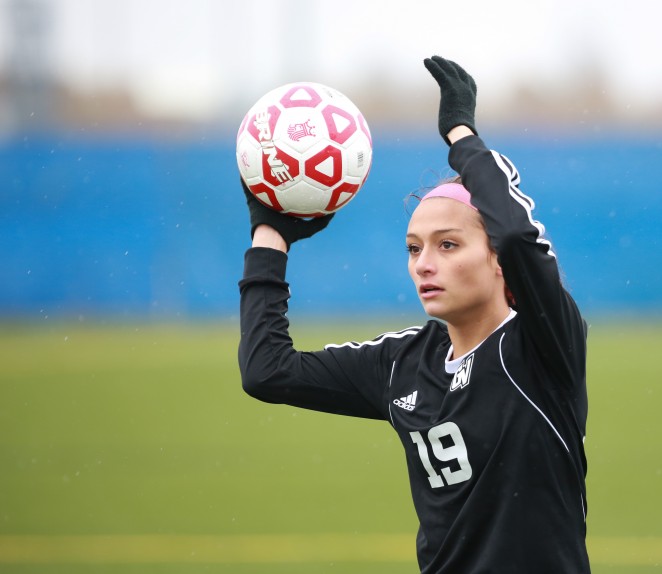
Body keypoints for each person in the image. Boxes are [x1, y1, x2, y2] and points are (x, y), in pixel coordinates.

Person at [238, 56, 590, 574]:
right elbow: (267, 370)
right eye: (413, 248)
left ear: (496, 259)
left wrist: (462, 135)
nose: (424, 264)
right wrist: (270, 237)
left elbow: (517, 234)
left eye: (448, 245)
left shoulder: (541, 344)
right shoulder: (404, 361)